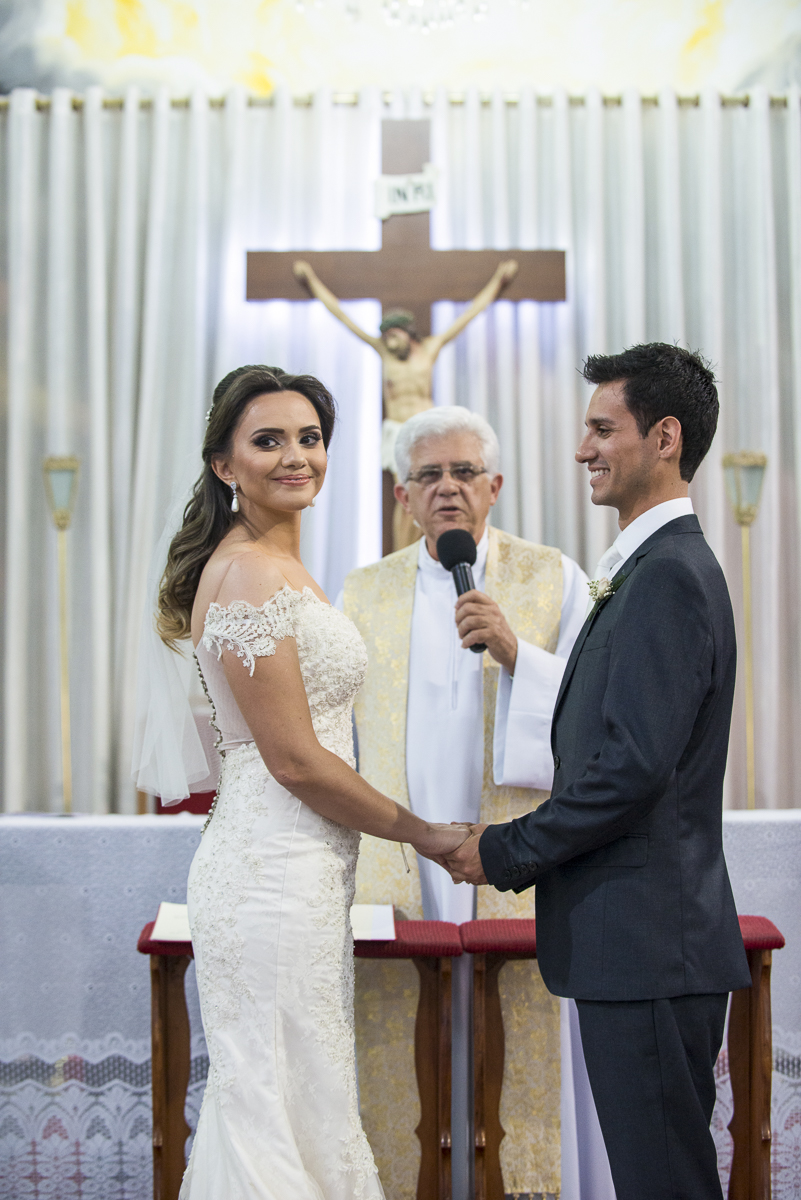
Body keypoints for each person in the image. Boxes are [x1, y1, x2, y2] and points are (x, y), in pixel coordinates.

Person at [442, 344, 752, 1200]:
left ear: (662, 438)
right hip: (642, 943)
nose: (582, 448)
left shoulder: (668, 578)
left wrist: (504, 850)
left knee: (664, 1182)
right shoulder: (647, 568)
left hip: (648, 943)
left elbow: (629, 771)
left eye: (600, 428)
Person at [152, 365, 469, 1200]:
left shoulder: (279, 564)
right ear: (224, 465)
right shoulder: (251, 571)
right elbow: (292, 759)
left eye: (310, 437)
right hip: (270, 871)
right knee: (273, 1110)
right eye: (268, 441)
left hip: (302, 869)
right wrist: (423, 831)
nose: (296, 457)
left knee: (295, 1098)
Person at [340, 405, 589, 1198]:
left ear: (495, 487)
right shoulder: (361, 592)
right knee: (400, 1051)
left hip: (509, 852)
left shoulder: (553, 577)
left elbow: (599, 717)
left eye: (462, 473)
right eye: (427, 476)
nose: (446, 489)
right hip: (401, 859)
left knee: (512, 1054)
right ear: (401, 496)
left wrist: (519, 653)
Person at [293, 258, 518, 549]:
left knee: (429, 487)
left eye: (393, 335)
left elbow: (470, 314)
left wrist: (499, 279)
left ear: (406, 332)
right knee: (410, 491)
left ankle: (431, 544)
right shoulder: (384, 353)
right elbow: (342, 316)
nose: (388, 341)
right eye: (384, 337)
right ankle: (402, 551)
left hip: (427, 431)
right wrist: (311, 279)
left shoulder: (429, 349)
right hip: (397, 431)